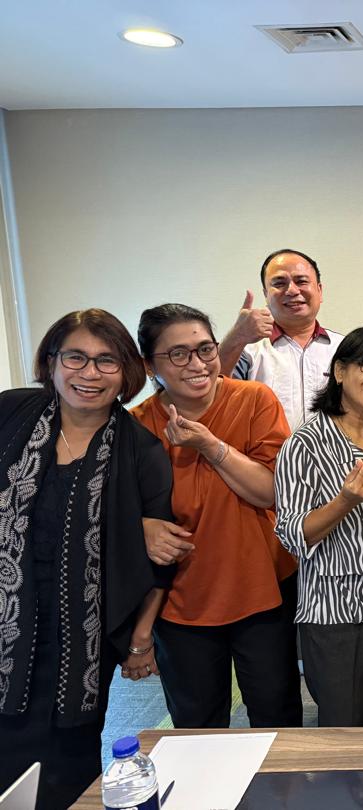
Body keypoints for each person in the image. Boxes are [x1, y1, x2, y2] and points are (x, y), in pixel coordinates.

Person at [0, 309, 174, 809]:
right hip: (8, 617)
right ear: (52, 362)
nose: (90, 373)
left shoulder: (141, 448)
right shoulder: (12, 413)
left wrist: (141, 639)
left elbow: (163, 558)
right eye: (76, 357)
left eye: (106, 361)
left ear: (126, 372)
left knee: (67, 761)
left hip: (80, 636)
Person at [132, 303, 302, 729]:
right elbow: (117, 510)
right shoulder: (137, 425)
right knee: (197, 724)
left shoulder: (254, 400)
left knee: (276, 716)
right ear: (150, 365)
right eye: (178, 354)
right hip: (182, 599)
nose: (197, 364)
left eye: (205, 349)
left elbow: (271, 491)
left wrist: (210, 446)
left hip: (263, 587)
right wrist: (142, 526)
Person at [274, 327, 363, 727]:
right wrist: (344, 502)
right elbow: (292, 534)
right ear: (340, 371)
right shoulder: (305, 443)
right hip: (338, 612)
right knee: (345, 727)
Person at [218, 248, 345, 430]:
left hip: (336, 449)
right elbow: (213, 394)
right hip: (264, 449)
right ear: (266, 294)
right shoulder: (247, 350)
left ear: (319, 290)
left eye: (301, 281)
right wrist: (236, 337)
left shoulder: (345, 348)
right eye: (279, 283)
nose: (292, 290)